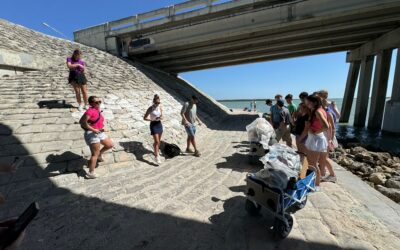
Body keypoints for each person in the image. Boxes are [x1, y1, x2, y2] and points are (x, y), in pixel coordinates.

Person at [79, 96, 113, 179]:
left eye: (99, 101)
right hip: (92, 133)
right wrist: (93, 129)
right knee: (95, 154)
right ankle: (90, 173)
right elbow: (82, 122)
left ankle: (99, 155)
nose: (99, 103)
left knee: (109, 145)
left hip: (100, 132)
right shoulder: (89, 111)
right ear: (91, 103)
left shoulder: (97, 109)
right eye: (96, 102)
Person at [304, 94, 330, 187]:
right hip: (316, 138)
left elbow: (326, 126)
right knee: (311, 162)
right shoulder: (321, 109)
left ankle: (316, 184)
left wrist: (315, 132)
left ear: (314, 102)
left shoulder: (318, 111)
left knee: (313, 163)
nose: (307, 104)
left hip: (316, 138)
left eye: (308, 102)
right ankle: (313, 182)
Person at [321, 99, 338, 183]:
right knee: (323, 157)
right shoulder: (324, 112)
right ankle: (323, 173)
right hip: (324, 137)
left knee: (324, 157)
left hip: (327, 138)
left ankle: (332, 175)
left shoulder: (328, 113)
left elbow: (332, 128)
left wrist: (330, 140)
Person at [144, 94, 164, 165]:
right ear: (153, 102)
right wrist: (152, 120)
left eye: (158, 102)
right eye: (156, 102)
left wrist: (161, 117)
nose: (157, 104)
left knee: (158, 142)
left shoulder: (160, 107)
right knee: (157, 141)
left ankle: (156, 150)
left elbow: (162, 116)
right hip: (153, 125)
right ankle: (156, 156)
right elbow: (145, 118)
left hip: (159, 124)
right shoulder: (150, 108)